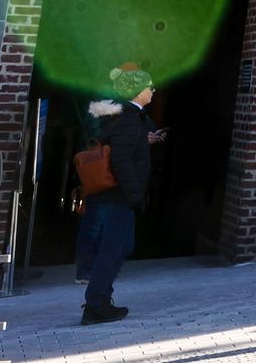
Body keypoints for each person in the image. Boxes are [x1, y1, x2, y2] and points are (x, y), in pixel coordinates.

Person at [82, 67, 156, 325]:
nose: (153, 90)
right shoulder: (128, 118)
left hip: (120, 196)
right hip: (120, 196)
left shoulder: (128, 116)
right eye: (149, 86)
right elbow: (122, 160)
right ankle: (96, 304)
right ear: (138, 91)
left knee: (122, 246)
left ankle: (100, 299)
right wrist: (134, 195)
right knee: (113, 249)